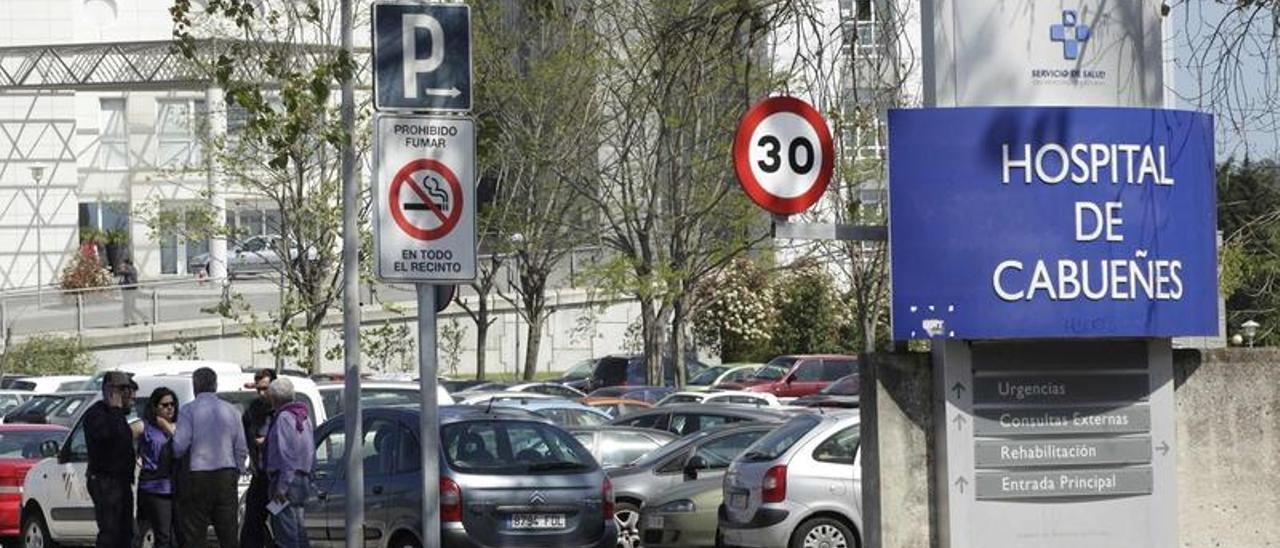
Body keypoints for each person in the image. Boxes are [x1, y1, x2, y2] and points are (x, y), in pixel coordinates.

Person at [173, 367, 247, 548]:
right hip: (226, 473)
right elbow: (241, 447)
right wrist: (238, 469)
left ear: (195, 385)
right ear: (215, 385)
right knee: (228, 532)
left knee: (195, 533)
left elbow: (179, 446)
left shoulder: (188, 411)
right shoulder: (232, 410)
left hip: (198, 475)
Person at [83, 371, 138, 548]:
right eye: (124, 389)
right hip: (105, 481)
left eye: (129, 389)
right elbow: (109, 437)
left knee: (125, 532)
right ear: (110, 391)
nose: (128, 394)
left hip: (121, 481)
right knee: (111, 531)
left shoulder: (119, 416)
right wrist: (114, 408)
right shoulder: (97, 414)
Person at [264, 377, 314, 548]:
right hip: (301, 479)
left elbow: (287, 455)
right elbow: (309, 450)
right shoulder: (303, 416)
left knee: (286, 532)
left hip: (286, 480)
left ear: (274, 398)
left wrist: (281, 488)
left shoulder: (284, 417)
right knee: (298, 529)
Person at [239, 369, 278, 548]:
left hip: (280, 481)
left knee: (281, 522)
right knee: (252, 524)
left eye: (265, 388)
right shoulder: (253, 410)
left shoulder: (284, 411)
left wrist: (268, 442)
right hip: (261, 476)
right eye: (259, 389)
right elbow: (246, 438)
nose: (262, 393)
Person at [138, 387, 179, 548]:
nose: (170, 408)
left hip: (174, 487)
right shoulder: (146, 427)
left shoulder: (178, 426)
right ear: (155, 407)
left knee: (175, 536)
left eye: (172, 404)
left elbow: (181, 444)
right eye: (164, 405)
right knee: (162, 535)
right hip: (154, 487)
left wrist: (166, 426)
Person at [118, 258, 142, 326]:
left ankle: (127, 321)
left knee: (127, 307)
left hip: (130, 291)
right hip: (129, 290)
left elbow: (121, 272)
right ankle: (133, 320)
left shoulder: (130, 269)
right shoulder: (132, 269)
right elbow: (122, 279)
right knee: (130, 307)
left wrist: (121, 268)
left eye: (124, 264)